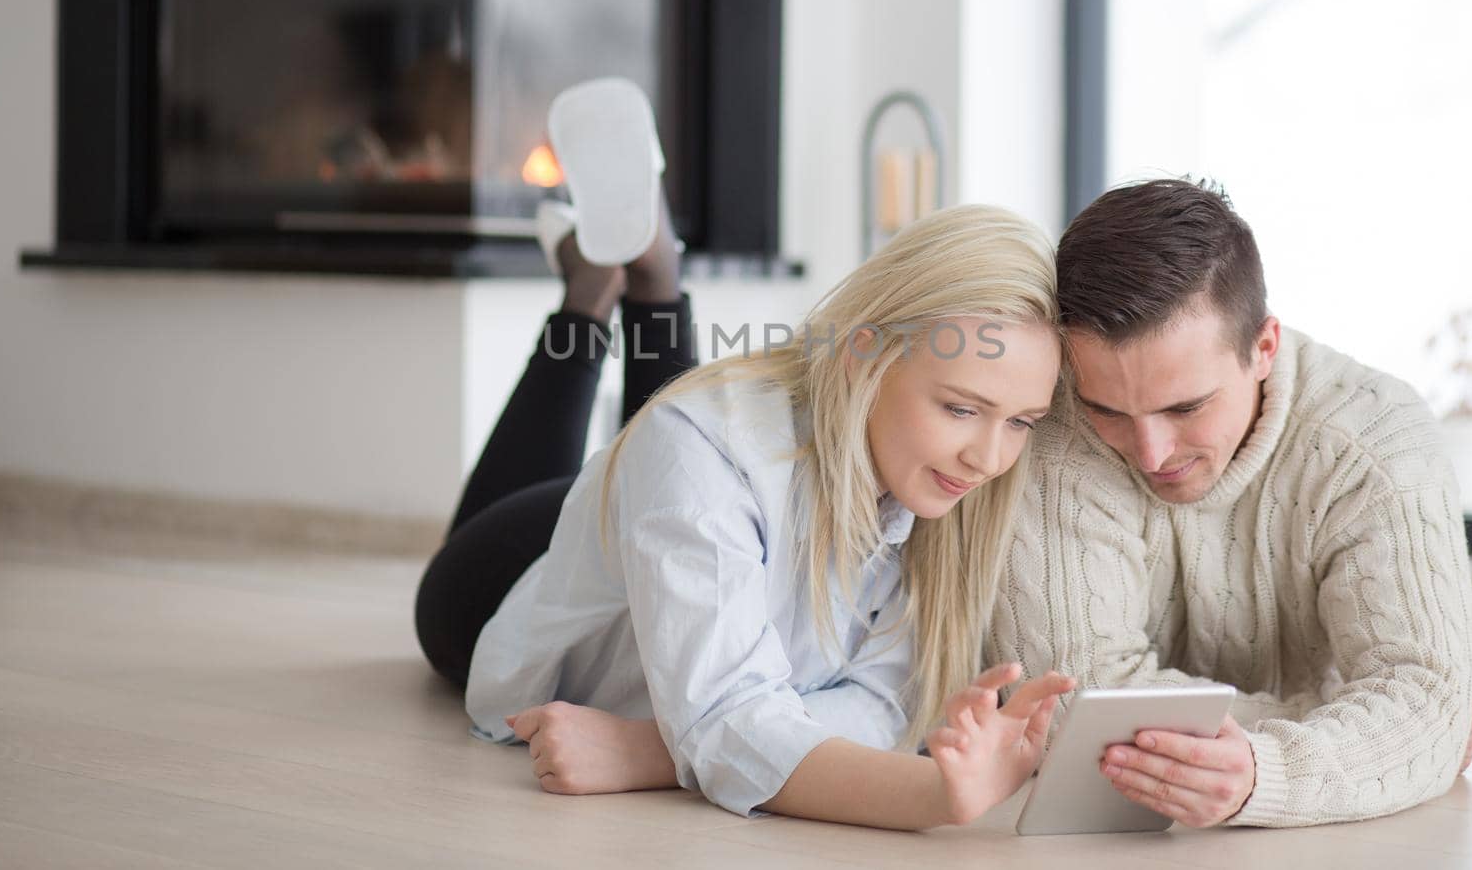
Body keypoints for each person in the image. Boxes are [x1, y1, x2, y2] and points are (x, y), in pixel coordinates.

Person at [414, 84, 1072, 830]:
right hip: (504, 572)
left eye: (1021, 420)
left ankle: (632, 277)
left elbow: (882, 703)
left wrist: (652, 751)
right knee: (673, 438)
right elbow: (732, 719)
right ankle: (596, 294)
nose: (989, 456)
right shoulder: (703, 447)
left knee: (668, 446)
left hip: (680, 508)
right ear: (862, 356)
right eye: (960, 407)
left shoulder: (942, 485)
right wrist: (930, 794)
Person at [989, 178, 1472, 829]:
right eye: (1109, 409)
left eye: (1185, 406)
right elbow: (1071, 706)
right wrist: (1353, 721)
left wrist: (1261, 773)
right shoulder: (1058, 424)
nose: (1150, 452)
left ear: (1264, 347)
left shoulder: (1377, 441)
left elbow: (1426, 699)